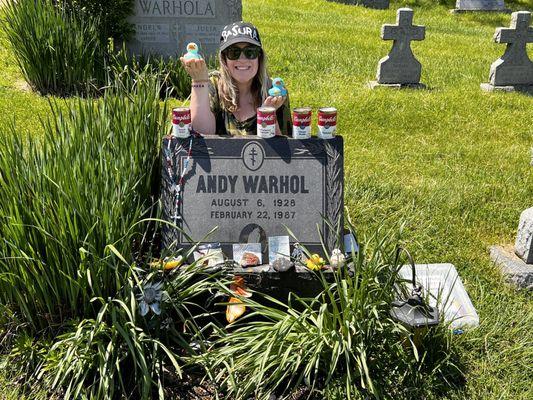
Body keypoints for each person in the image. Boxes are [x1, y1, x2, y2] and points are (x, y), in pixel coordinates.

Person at [180, 21, 292, 136]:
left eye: (250, 52)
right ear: (224, 59)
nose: (242, 59)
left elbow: (284, 150)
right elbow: (201, 134)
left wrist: (268, 116)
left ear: (259, 57)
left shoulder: (274, 92)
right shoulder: (213, 84)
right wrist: (199, 81)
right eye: (234, 52)